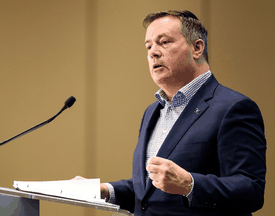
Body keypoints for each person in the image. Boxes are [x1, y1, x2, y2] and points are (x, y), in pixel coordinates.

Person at [99, 10, 266, 216]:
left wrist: (190, 184)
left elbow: (251, 190)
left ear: (197, 48)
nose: (153, 52)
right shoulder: (152, 112)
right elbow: (151, 192)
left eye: (164, 42)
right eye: (148, 46)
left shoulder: (233, 108)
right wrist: (106, 191)